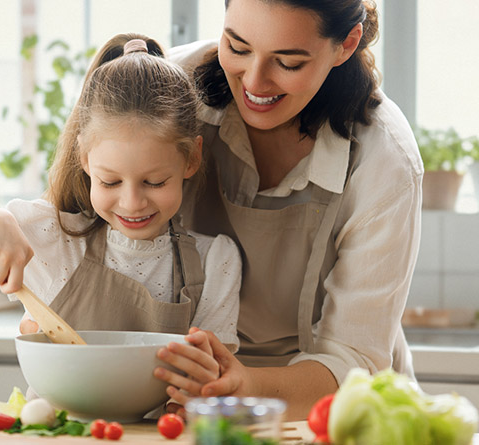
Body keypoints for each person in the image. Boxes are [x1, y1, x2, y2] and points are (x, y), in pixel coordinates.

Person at [0, 34, 241, 354]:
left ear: (192, 158)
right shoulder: (53, 239)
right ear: (85, 158)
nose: (132, 202)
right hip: (56, 427)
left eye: (155, 182)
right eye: (111, 182)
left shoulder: (215, 262)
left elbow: (214, 376)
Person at [153, 0, 423, 419]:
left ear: (346, 45)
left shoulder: (384, 160)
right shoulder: (166, 89)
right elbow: (82, 208)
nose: (254, 80)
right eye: (237, 47)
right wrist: (12, 224)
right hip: (187, 401)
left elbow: (353, 361)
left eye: (288, 62)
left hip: (331, 408)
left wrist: (245, 386)